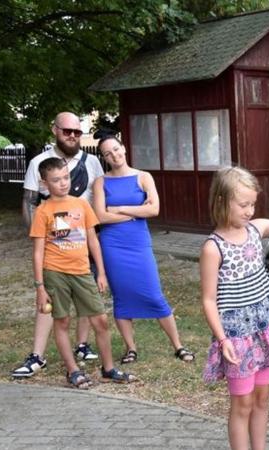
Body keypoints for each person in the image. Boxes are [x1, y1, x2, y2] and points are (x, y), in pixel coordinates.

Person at [201, 167, 269, 450]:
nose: (249, 210)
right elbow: (208, 299)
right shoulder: (212, 248)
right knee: (242, 403)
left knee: (262, 398)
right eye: (243, 204)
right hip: (236, 335)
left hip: (264, 327)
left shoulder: (256, 229)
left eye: (252, 204)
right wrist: (222, 339)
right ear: (221, 201)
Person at [30, 157, 136, 388]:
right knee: (63, 321)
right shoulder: (43, 211)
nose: (63, 183)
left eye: (65, 177)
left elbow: (93, 241)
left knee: (100, 320)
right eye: (56, 180)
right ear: (45, 183)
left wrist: (101, 273)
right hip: (55, 273)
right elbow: (38, 252)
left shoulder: (82, 204)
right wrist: (39, 287)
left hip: (82, 271)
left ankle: (108, 369)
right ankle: (73, 370)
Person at [13, 111, 105, 378]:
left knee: (86, 294)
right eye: (67, 131)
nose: (73, 136)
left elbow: (98, 199)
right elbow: (30, 201)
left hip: (83, 237)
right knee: (48, 301)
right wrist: (36, 237)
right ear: (54, 130)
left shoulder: (91, 162)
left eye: (77, 132)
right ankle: (37, 355)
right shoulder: (39, 162)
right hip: (52, 242)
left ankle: (82, 344)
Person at [92, 131, 194, 364]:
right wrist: (133, 212)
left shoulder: (143, 177)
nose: (114, 155)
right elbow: (100, 216)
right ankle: (131, 348)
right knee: (121, 297)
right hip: (113, 245)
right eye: (108, 154)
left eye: (116, 150)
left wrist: (118, 209)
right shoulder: (100, 182)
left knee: (154, 294)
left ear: (124, 148)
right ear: (104, 157)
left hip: (138, 243)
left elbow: (153, 210)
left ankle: (178, 345)